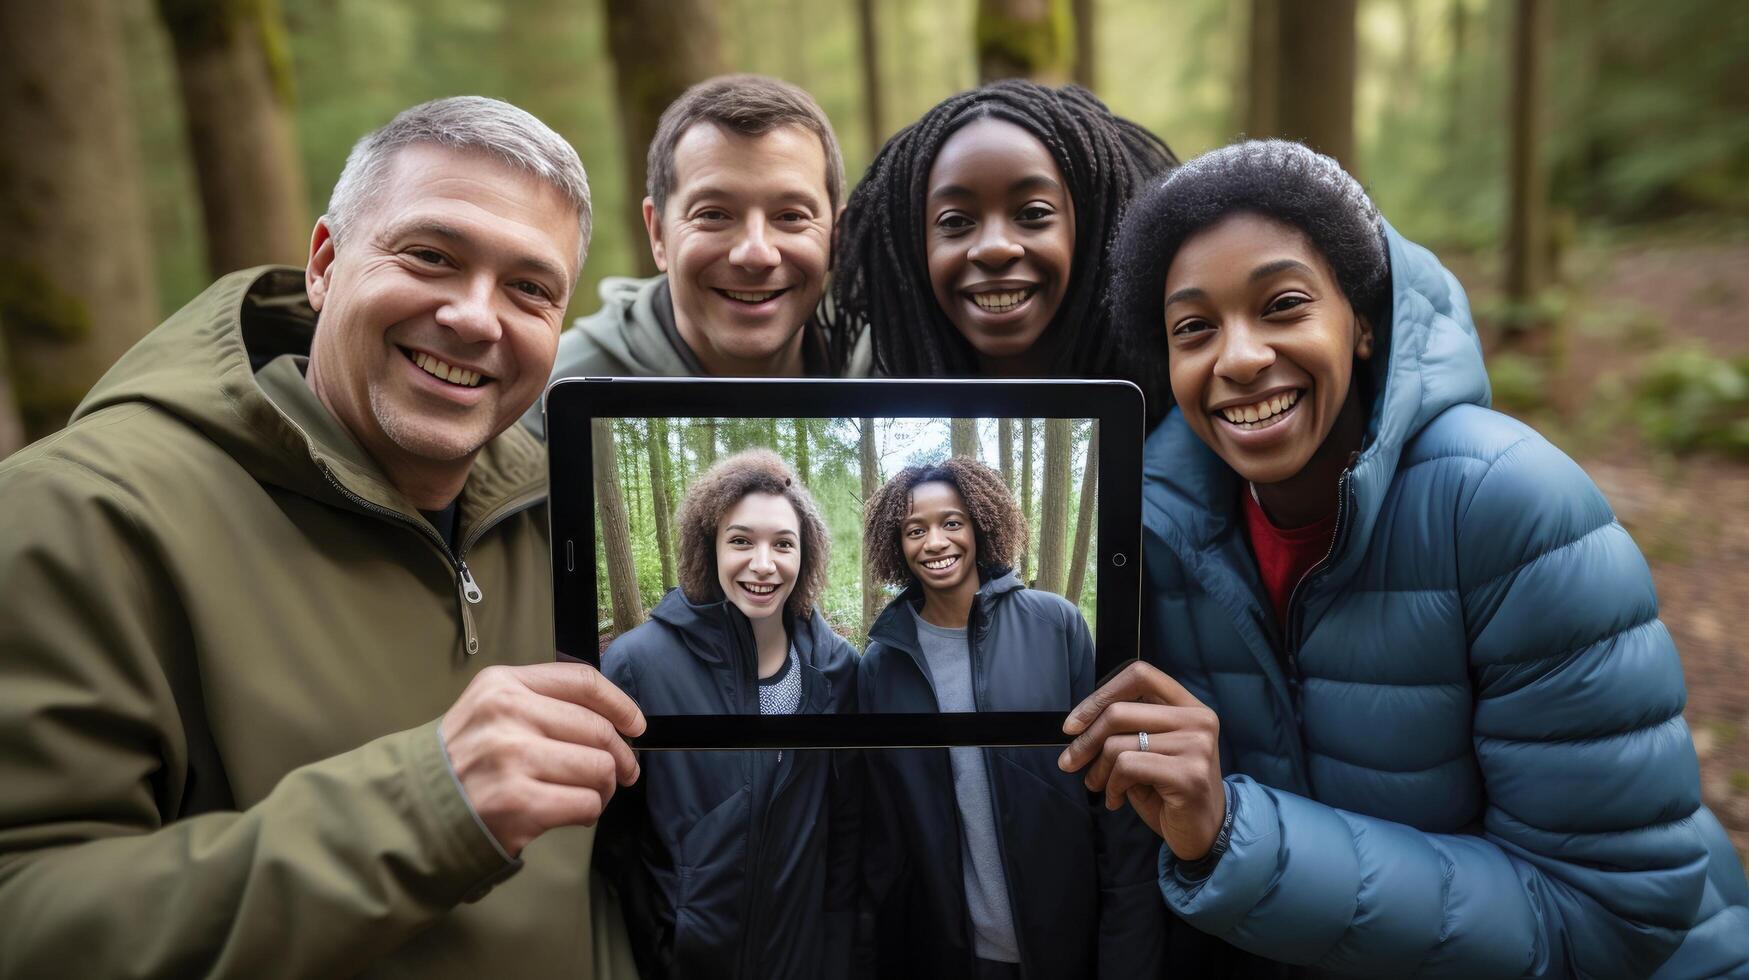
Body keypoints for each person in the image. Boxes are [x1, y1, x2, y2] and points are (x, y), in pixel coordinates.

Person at [1058, 139, 1749, 977]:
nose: (1237, 357)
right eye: (1193, 328)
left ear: (1362, 324)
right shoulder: (1155, 532)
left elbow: (1607, 915)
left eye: (1281, 305)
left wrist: (1235, 837)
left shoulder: (1511, 507)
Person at [0, 97, 649, 977]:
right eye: (430, 256)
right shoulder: (80, 513)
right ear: (324, 262)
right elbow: (29, 919)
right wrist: (425, 808)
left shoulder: (557, 518)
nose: (473, 316)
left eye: (528, 289)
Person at [855, 457, 1170, 979]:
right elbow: (885, 832)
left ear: (980, 524)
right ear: (897, 545)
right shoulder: (881, 665)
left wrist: (1127, 944)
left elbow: (1112, 795)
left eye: (951, 523)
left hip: (1067, 940)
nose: (935, 542)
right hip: (954, 950)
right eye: (916, 529)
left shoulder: (1056, 625)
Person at [596, 449, 859, 979]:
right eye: (741, 540)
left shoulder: (839, 669)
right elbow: (613, 848)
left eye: (783, 544)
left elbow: (847, 830)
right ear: (708, 545)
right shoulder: (636, 665)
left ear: (805, 555)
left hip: (802, 958)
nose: (763, 564)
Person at [530, 75, 869, 429]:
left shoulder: (892, 367)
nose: (755, 254)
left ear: (836, 237)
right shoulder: (542, 396)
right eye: (713, 215)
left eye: (791, 216)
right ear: (658, 233)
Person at [832, 80, 1176, 379]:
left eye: (1033, 214)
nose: (995, 248)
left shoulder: (1187, 421)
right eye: (954, 222)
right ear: (912, 249)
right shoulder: (862, 383)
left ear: (1092, 234)